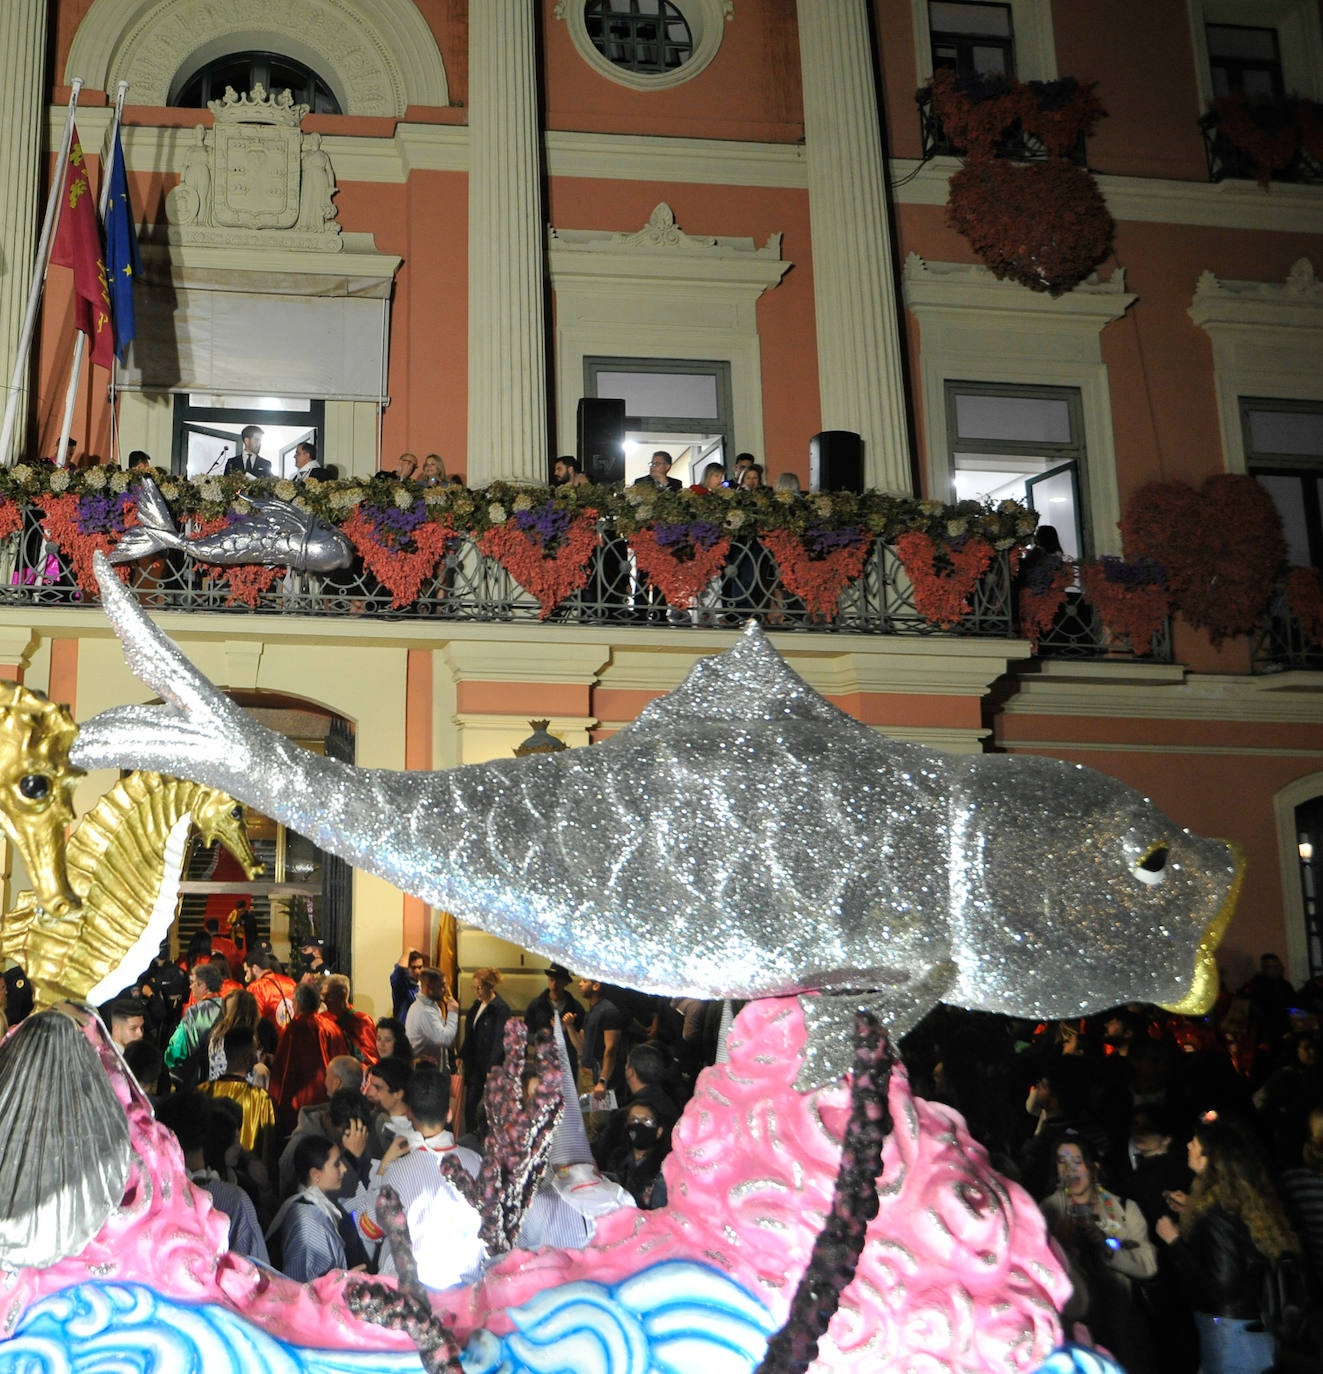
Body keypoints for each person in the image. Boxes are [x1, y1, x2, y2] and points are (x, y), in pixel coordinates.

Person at [1156, 1110, 1300, 1374]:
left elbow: (1222, 1288)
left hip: (1229, 1333)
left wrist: (1174, 1240)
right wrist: (1190, 1210)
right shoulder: (1239, 1201)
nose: (1188, 1145)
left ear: (1211, 1158)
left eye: (1195, 1143)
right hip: (1249, 1327)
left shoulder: (1217, 1216)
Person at [358, 1066, 484, 1290]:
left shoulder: (397, 1171)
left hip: (412, 1295)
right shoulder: (477, 1163)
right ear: (449, 1113)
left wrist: (384, 1165)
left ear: (409, 1115)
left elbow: (370, 1229)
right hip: (471, 1290)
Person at [267, 1134, 359, 1281]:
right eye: (336, 1164)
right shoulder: (310, 1224)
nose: (344, 1169)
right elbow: (303, 1285)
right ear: (315, 1174)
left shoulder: (314, 1208)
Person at [268, 981, 350, 1130]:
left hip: (300, 1106)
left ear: (297, 1003)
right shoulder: (332, 1027)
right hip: (330, 1100)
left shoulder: (293, 1029)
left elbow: (283, 1071)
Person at [605, 1087, 676, 1210]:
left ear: (659, 1131)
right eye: (634, 1120)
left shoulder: (665, 1169)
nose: (638, 1125)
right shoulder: (617, 1159)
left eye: (646, 1121)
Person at [460, 968, 510, 1134]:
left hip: (488, 1065)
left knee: (486, 1108)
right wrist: (462, 1054)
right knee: (471, 1106)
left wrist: (492, 1067)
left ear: (490, 987)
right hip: (475, 1065)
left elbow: (500, 1040)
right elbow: (470, 1035)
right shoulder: (476, 1007)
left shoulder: (499, 1009)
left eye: (479, 988)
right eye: (474, 988)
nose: (476, 992)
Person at [565, 978, 626, 1105]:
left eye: (584, 981)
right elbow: (581, 1046)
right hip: (587, 1075)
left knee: (598, 1121)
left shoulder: (609, 1011)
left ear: (596, 986)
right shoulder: (592, 1011)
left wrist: (603, 1080)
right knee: (587, 1122)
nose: (580, 984)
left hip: (600, 1077)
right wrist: (570, 1026)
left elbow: (611, 1049)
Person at [165, 962, 226, 1088]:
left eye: (193, 982)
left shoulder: (195, 1012)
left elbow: (176, 1049)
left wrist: (169, 1062)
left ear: (203, 986)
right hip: (223, 1078)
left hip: (198, 1078)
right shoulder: (227, 1007)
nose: (191, 986)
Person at [524, 963, 584, 1082]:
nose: (554, 984)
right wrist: (540, 1038)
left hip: (567, 1062)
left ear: (565, 983)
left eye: (558, 981)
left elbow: (582, 1040)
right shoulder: (536, 1005)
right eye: (551, 980)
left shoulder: (575, 1007)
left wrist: (566, 1029)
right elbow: (526, 1033)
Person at [405, 967, 460, 1068]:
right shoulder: (424, 1011)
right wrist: (453, 1013)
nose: (446, 990)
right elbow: (444, 1039)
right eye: (442, 986)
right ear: (428, 988)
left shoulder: (432, 1006)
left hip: (432, 1071)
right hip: (426, 1075)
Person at [324, 973, 378, 1065]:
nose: (325, 1000)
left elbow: (371, 1058)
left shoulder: (361, 1022)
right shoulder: (324, 1020)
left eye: (329, 996)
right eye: (323, 996)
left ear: (343, 994)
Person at [390, 950, 425, 1021]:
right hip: (405, 1030)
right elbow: (400, 971)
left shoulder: (425, 986)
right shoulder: (402, 985)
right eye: (413, 968)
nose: (417, 971)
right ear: (407, 967)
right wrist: (407, 951)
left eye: (420, 967)